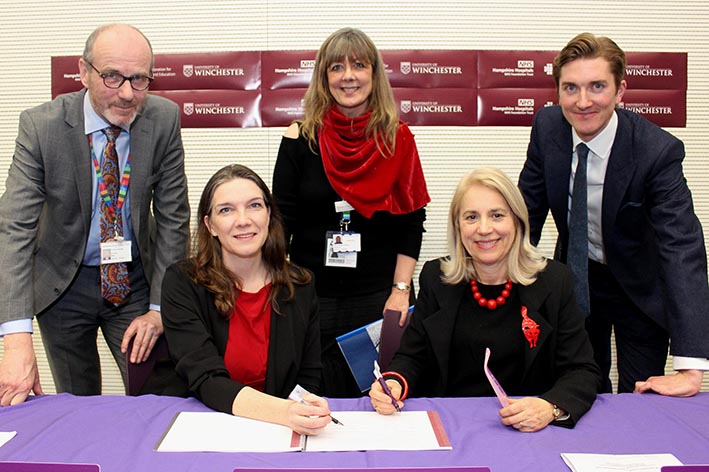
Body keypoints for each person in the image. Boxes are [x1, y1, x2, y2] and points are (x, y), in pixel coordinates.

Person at [0, 23, 190, 406]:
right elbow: (14, 229)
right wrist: (16, 336)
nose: (126, 93)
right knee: (78, 402)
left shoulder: (163, 119)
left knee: (156, 394)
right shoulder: (41, 127)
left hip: (134, 280)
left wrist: (159, 309)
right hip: (62, 284)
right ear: (84, 71)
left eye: (139, 79)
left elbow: (173, 217)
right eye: (112, 76)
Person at [518, 32, 709, 396]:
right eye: (571, 88)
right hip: (576, 277)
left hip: (639, 287)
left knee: (640, 395)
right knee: (580, 387)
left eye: (597, 86)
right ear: (557, 91)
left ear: (621, 90)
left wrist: (690, 363)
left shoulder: (657, 152)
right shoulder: (547, 128)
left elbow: (682, 249)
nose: (583, 102)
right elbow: (526, 212)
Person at [370, 168, 601, 432]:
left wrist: (550, 407)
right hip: (451, 426)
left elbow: (582, 370)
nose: (484, 229)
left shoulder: (554, 281)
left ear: (517, 220)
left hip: (528, 431)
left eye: (497, 215)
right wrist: (394, 383)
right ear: (458, 226)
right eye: (471, 217)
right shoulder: (437, 278)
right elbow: (413, 357)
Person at [272, 27, 430, 398]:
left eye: (359, 65)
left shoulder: (398, 139)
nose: (348, 76)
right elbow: (282, 223)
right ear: (324, 78)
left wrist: (401, 290)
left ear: (374, 75)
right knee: (313, 397)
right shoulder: (299, 139)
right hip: (310, 297)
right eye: (337, 67)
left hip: (377, 297)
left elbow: (412, 221)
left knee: (374, 397)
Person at [161, 164, 331, 435]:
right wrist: (284, 413)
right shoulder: (182, 282)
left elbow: (308, 376)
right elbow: (205, 378)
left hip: (277, 431)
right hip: (203, 424)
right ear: (210, 225)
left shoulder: (300, 285)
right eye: (226, 210)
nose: (243, 220)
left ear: (269, 215)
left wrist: (306, 409)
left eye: (254, 206)